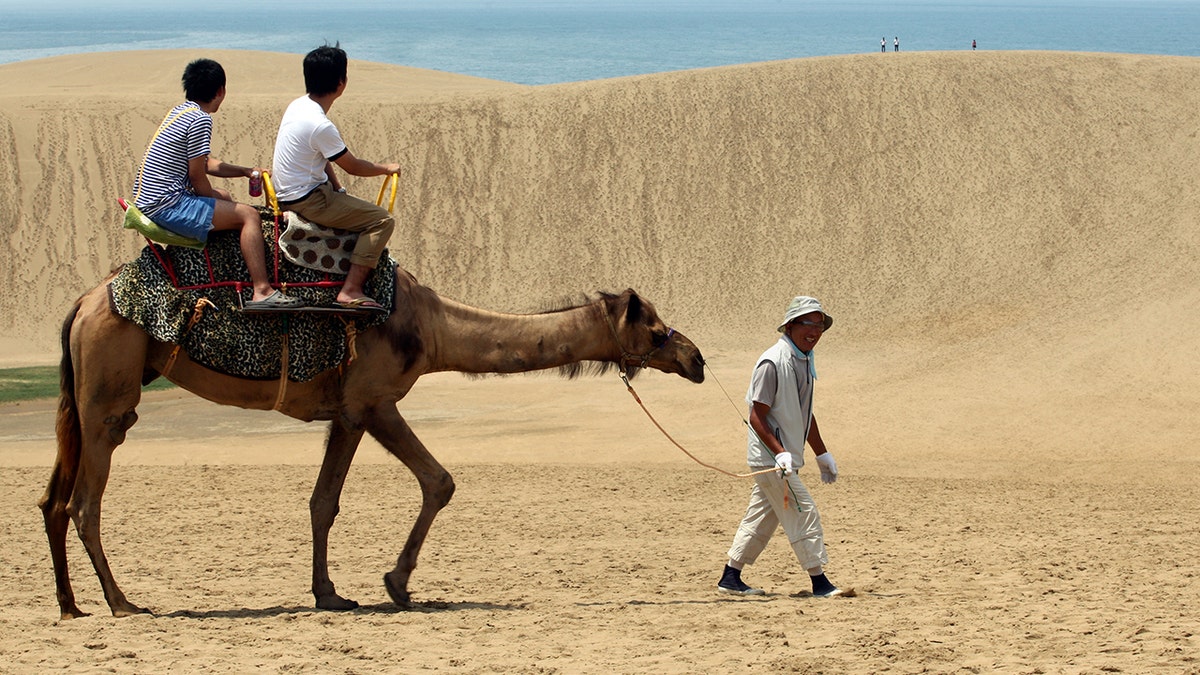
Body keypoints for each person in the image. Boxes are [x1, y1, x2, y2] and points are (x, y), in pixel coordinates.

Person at [133, 58, 302, 310]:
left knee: (222, 195)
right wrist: (210, 199)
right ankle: (262, 291)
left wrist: (244, 171)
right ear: (220, 91)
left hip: (154, 200)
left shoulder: (180, 112)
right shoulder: (201, 119)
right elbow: (197, 175)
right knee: (249, 216)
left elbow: (207, 163)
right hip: (166, 205)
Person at [718, 296, 843, 598]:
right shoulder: (772, 362)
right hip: (771, 460)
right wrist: (780, 452)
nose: (814, 331)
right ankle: (819, 581)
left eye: (819, 325)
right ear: (790, 326)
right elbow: (756, 415)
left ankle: (730, 576)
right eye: (808, 323)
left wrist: (821, 453)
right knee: (804, 511)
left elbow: (803, 414)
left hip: (785, 459)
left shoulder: (804, 361)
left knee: (762, 516)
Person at [272, 43, 401, 311]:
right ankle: (351, 289)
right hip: (308, 200)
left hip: (293, 192)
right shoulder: (321, 125)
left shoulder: (298, 106)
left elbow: (323, 158)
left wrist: (338, 188)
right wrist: (386, 168)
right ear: (341, 84)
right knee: (381, 220)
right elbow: (352, 166)